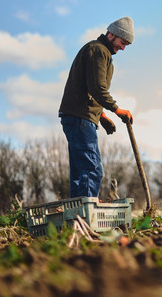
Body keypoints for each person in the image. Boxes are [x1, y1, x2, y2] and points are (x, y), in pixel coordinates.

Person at [58, 17, 135, 198]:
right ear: (112, 34)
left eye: (127, 45)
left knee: (80, 173)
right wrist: (117, 110)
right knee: (91, 170)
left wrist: (100, 115)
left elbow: (87, 90)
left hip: (80, 116)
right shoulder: (98, 51)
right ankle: (86, 217)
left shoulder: (100, 52)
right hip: (80, 118)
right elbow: (97, 88)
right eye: (122, 42)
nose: (123, 48)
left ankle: (76, 219)